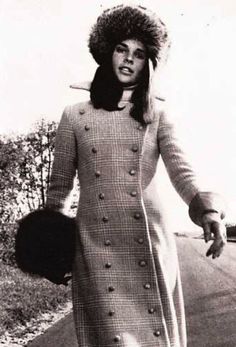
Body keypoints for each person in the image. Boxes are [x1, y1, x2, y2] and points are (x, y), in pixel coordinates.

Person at [46, 4, 227, 347]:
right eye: (121, 49)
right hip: (95, 244)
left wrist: (209, 211)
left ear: (150, 63)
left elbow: (181, 170)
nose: (128, 59)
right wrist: (51, 246)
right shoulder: (73, 115)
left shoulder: (156, 113)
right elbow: (59, 189)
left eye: (139, 54)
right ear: (107, 51)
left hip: (148, 241)